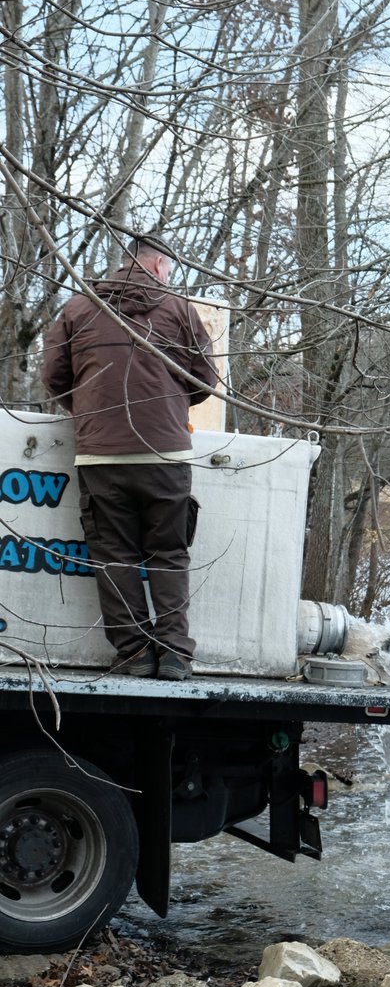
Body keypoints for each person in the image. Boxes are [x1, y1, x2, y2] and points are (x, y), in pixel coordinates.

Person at [42, 231, 219, 680]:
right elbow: (204, 378)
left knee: (114, 555)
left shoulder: (80, 308)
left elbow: (54, 377)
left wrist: (90, 412)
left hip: (101, 456)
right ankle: (176, 653)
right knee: (169, 554)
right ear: (160, 266)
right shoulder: (180, 310)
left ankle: (134, 653)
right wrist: (169, 406)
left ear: (126, 262)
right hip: (165, 453)